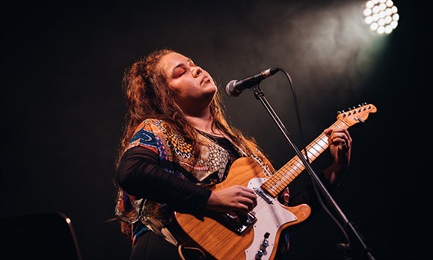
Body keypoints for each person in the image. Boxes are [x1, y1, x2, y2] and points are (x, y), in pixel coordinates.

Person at [113, 48, 352, 260]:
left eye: (193, 64)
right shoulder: (157, 129)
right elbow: (132, 172)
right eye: (181, 72)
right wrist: (211, 199)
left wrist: (336, 169)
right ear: (164, 94)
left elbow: (282, 217)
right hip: (171, 251)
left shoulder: (245, 149)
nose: (196, 70)